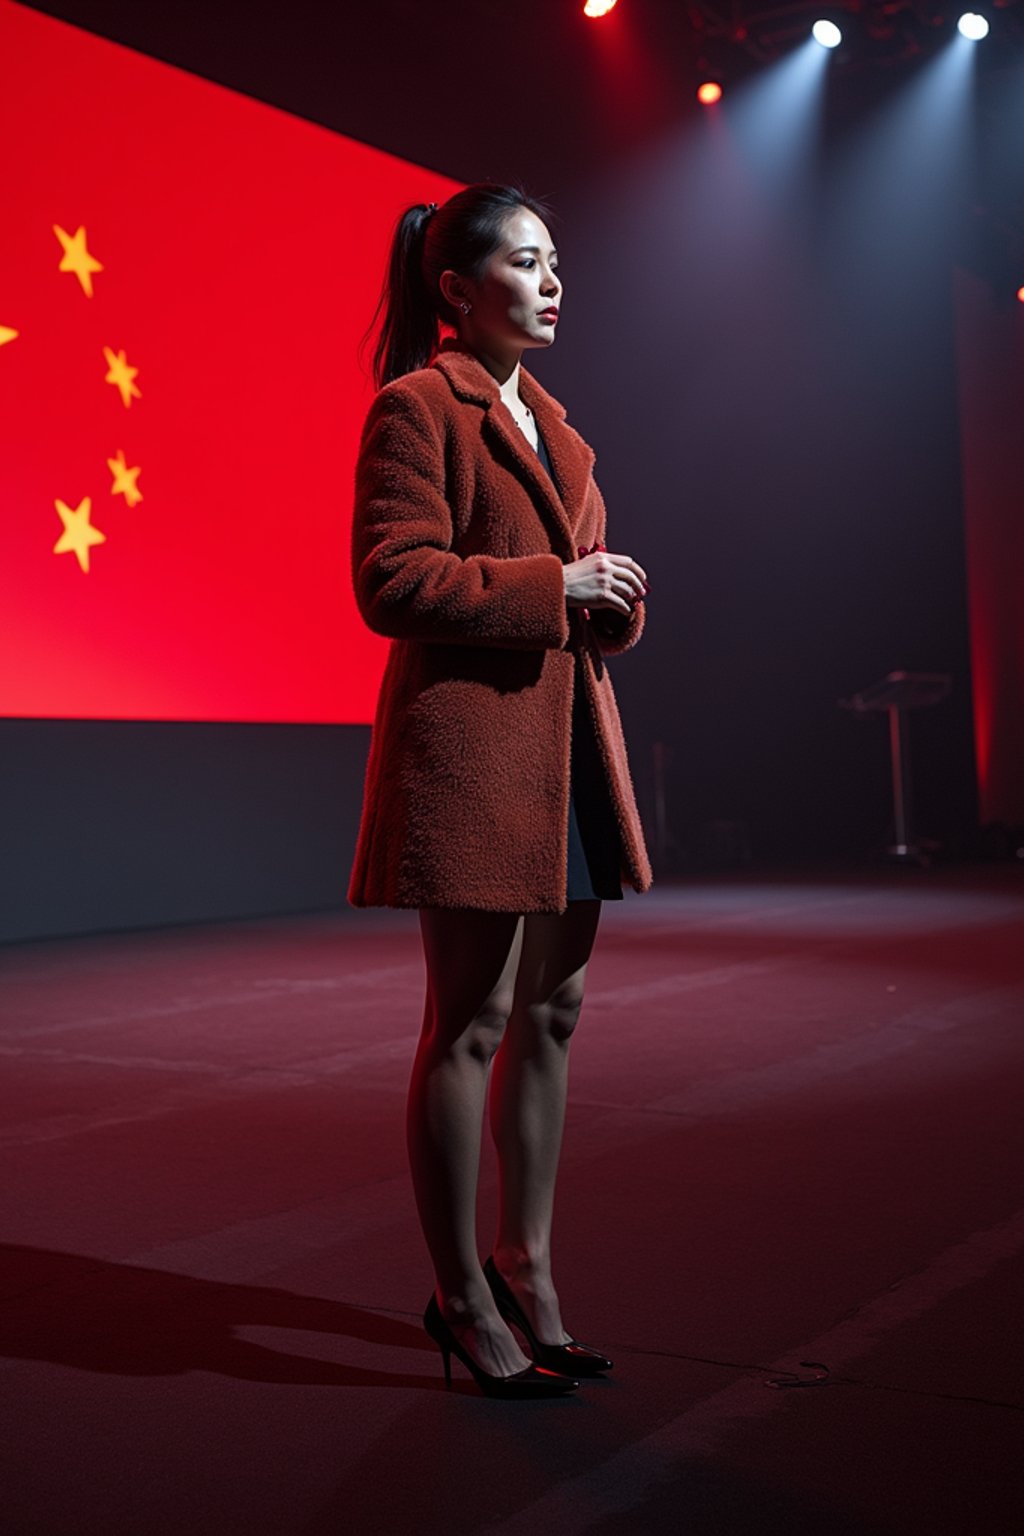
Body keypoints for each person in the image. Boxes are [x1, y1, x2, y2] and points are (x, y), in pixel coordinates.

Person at [349, 183, 652, 1397]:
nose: (551, 280)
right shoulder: (416, 407)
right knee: (467, 1024)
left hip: (566, 749)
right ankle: (461, 1299)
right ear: (456, 289)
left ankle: (527, 1271)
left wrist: (610, 603)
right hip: (472, 757)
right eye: (526, 263)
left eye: (556, 260)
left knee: (554, 1018)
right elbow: (391, 580)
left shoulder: (562, 432)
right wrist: (556, 590)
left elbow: (579, 594)